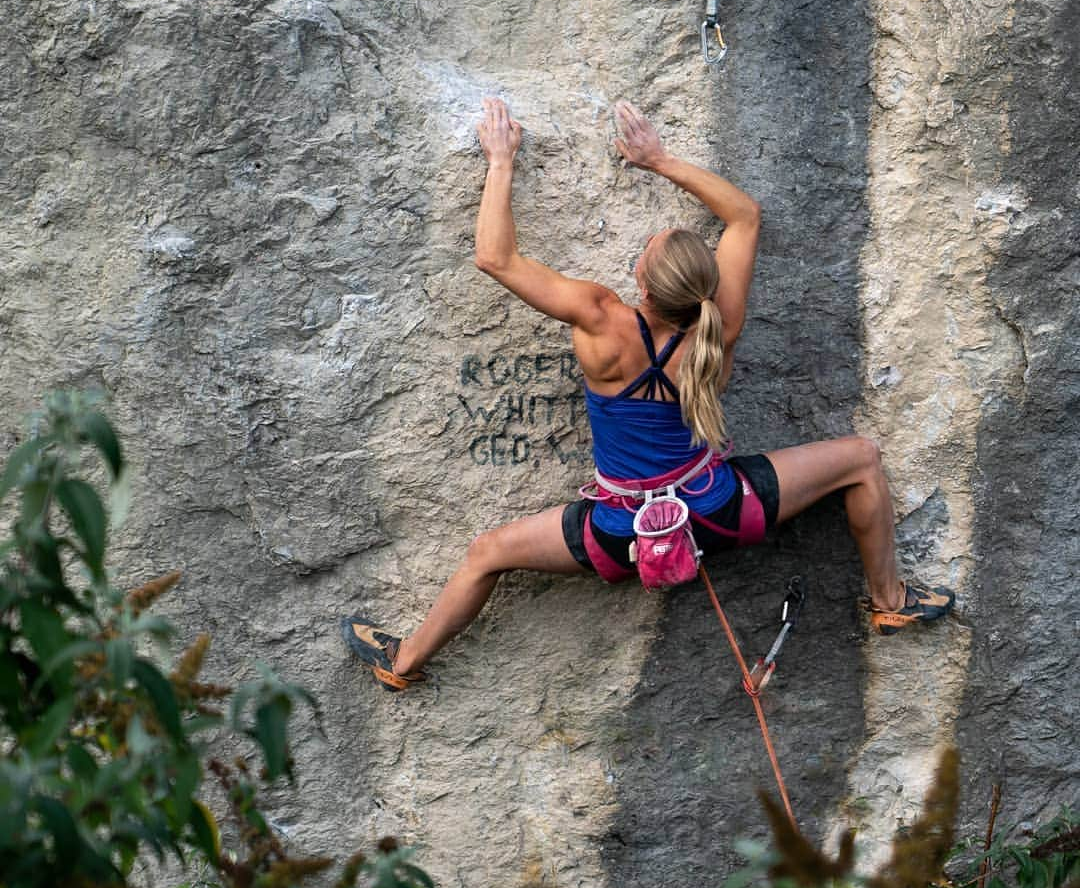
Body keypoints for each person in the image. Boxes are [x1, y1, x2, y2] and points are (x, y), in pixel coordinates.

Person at [343, 98, 954, 692]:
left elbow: (494, 258)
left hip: (619, 533)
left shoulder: (602, 319)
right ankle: (889, 601)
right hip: (719, 513)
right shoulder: (722, 325)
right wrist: (661, 160)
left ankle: (405, 662)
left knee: (486, 554)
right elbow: (744, 216)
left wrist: (501, 161)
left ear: (641, 280)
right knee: (861, 460)